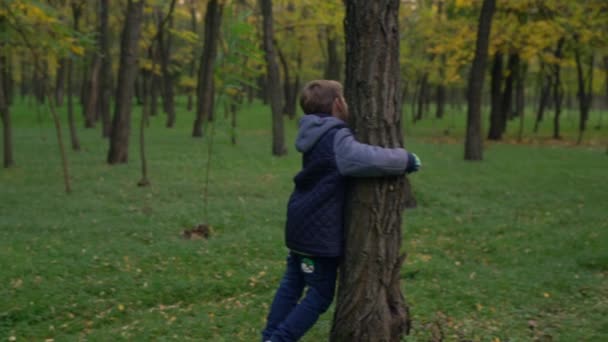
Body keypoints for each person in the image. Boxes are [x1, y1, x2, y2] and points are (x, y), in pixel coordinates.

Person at [261, 80, 421, 342]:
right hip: (317, 236)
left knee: (293, 284)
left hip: (301, 223)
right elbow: (367, 157)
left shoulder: (311, 133)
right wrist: (405, 159)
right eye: (344, 98)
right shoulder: (336, 137)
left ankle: (269, 335)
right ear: (337, 104)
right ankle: (278, 340)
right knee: (320, 293)